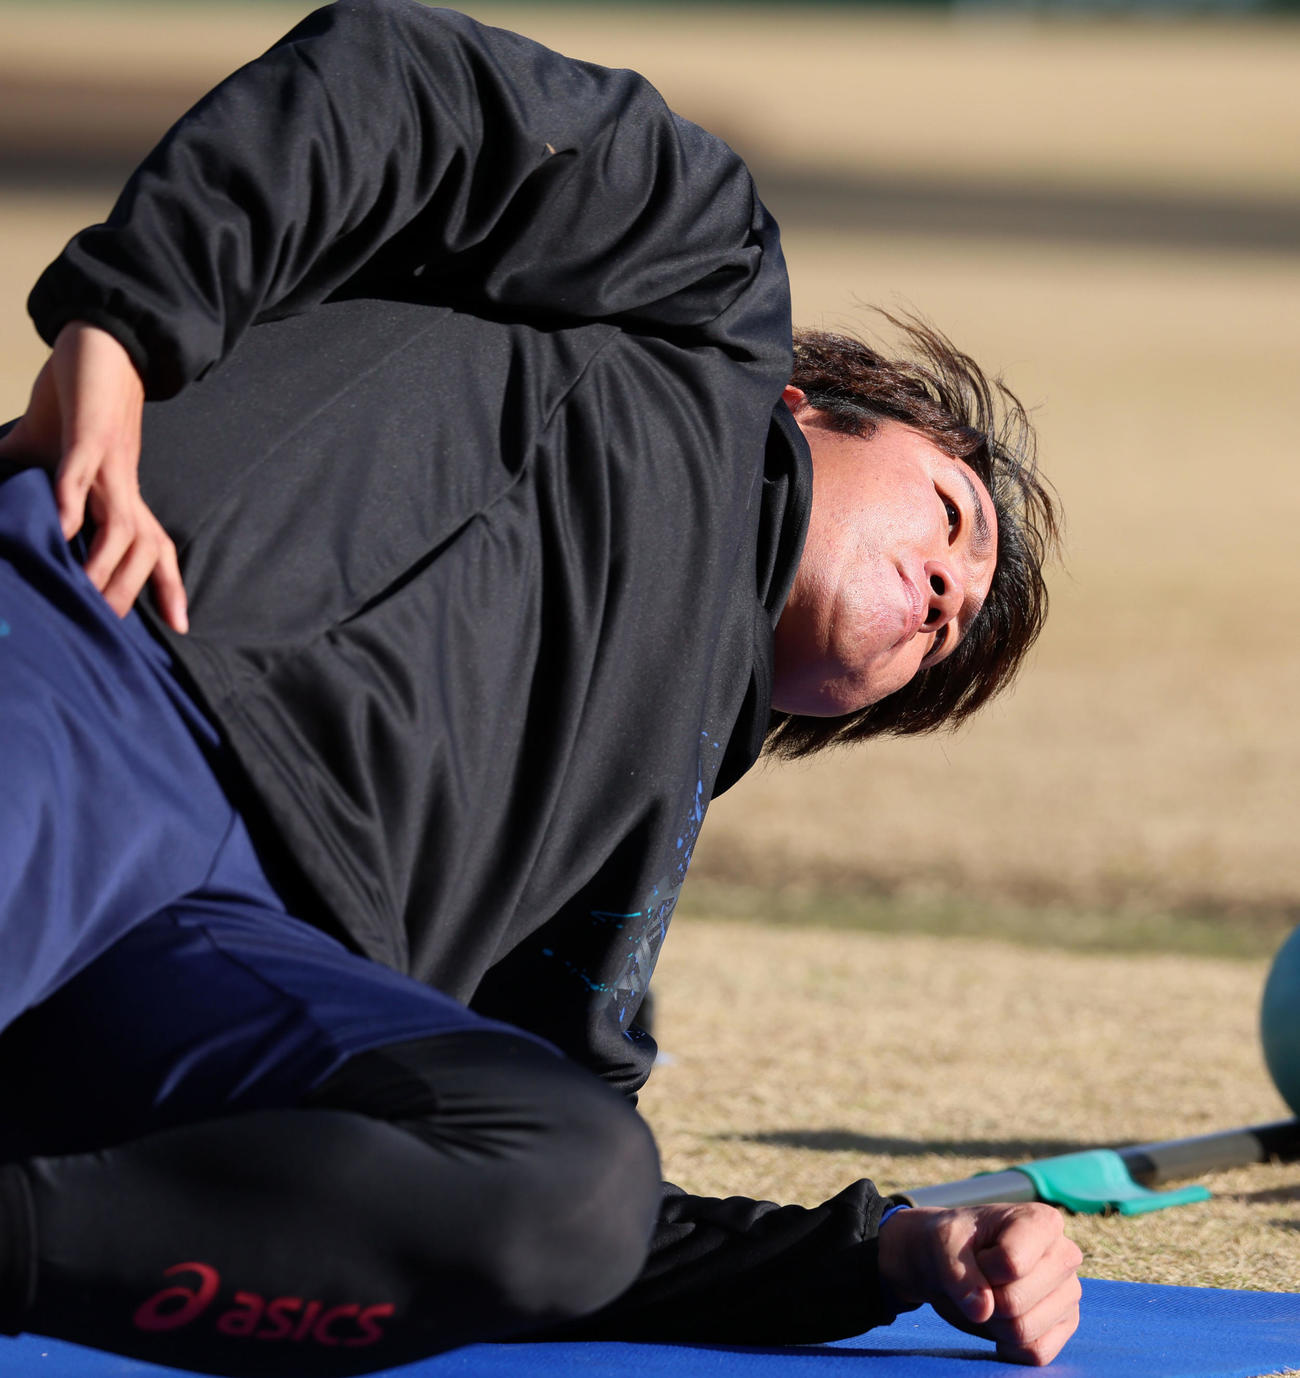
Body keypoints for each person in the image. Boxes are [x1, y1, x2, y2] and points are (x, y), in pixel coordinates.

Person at [0, 0, 1079, 1371]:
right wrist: (124, 329)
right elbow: (405, 82)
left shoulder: (620, 867)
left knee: (578, 1178)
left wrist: (887, 1251)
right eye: (951, 520)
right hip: (98, 664)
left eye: (950, 638)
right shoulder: (703, 296)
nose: (949, 591)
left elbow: (581, 1262)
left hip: (218, 963)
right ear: (823, 403)